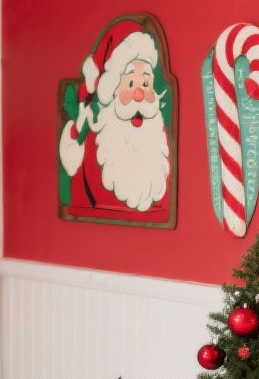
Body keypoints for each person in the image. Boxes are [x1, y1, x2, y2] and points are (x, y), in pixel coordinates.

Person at [59, 18, 174, 224]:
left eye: (146, 82)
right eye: (130, 82)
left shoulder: (158, 139)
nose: (140, 94)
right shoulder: (96, 145)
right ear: (110, 91)